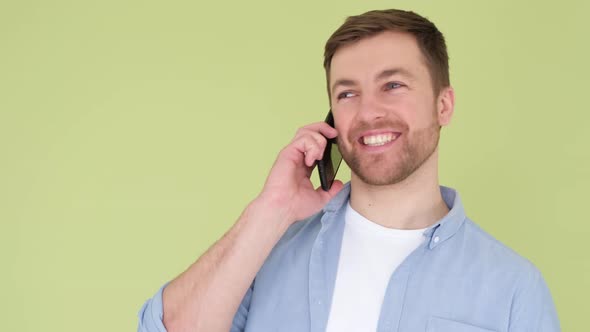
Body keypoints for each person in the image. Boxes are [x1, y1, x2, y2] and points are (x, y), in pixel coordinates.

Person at [138, 9, 560, 332]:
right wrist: (272, 208)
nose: (368, 111)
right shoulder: (265, 253)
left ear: (443, 105)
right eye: (347, 93)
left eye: (392, 85)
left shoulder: (513, 288)